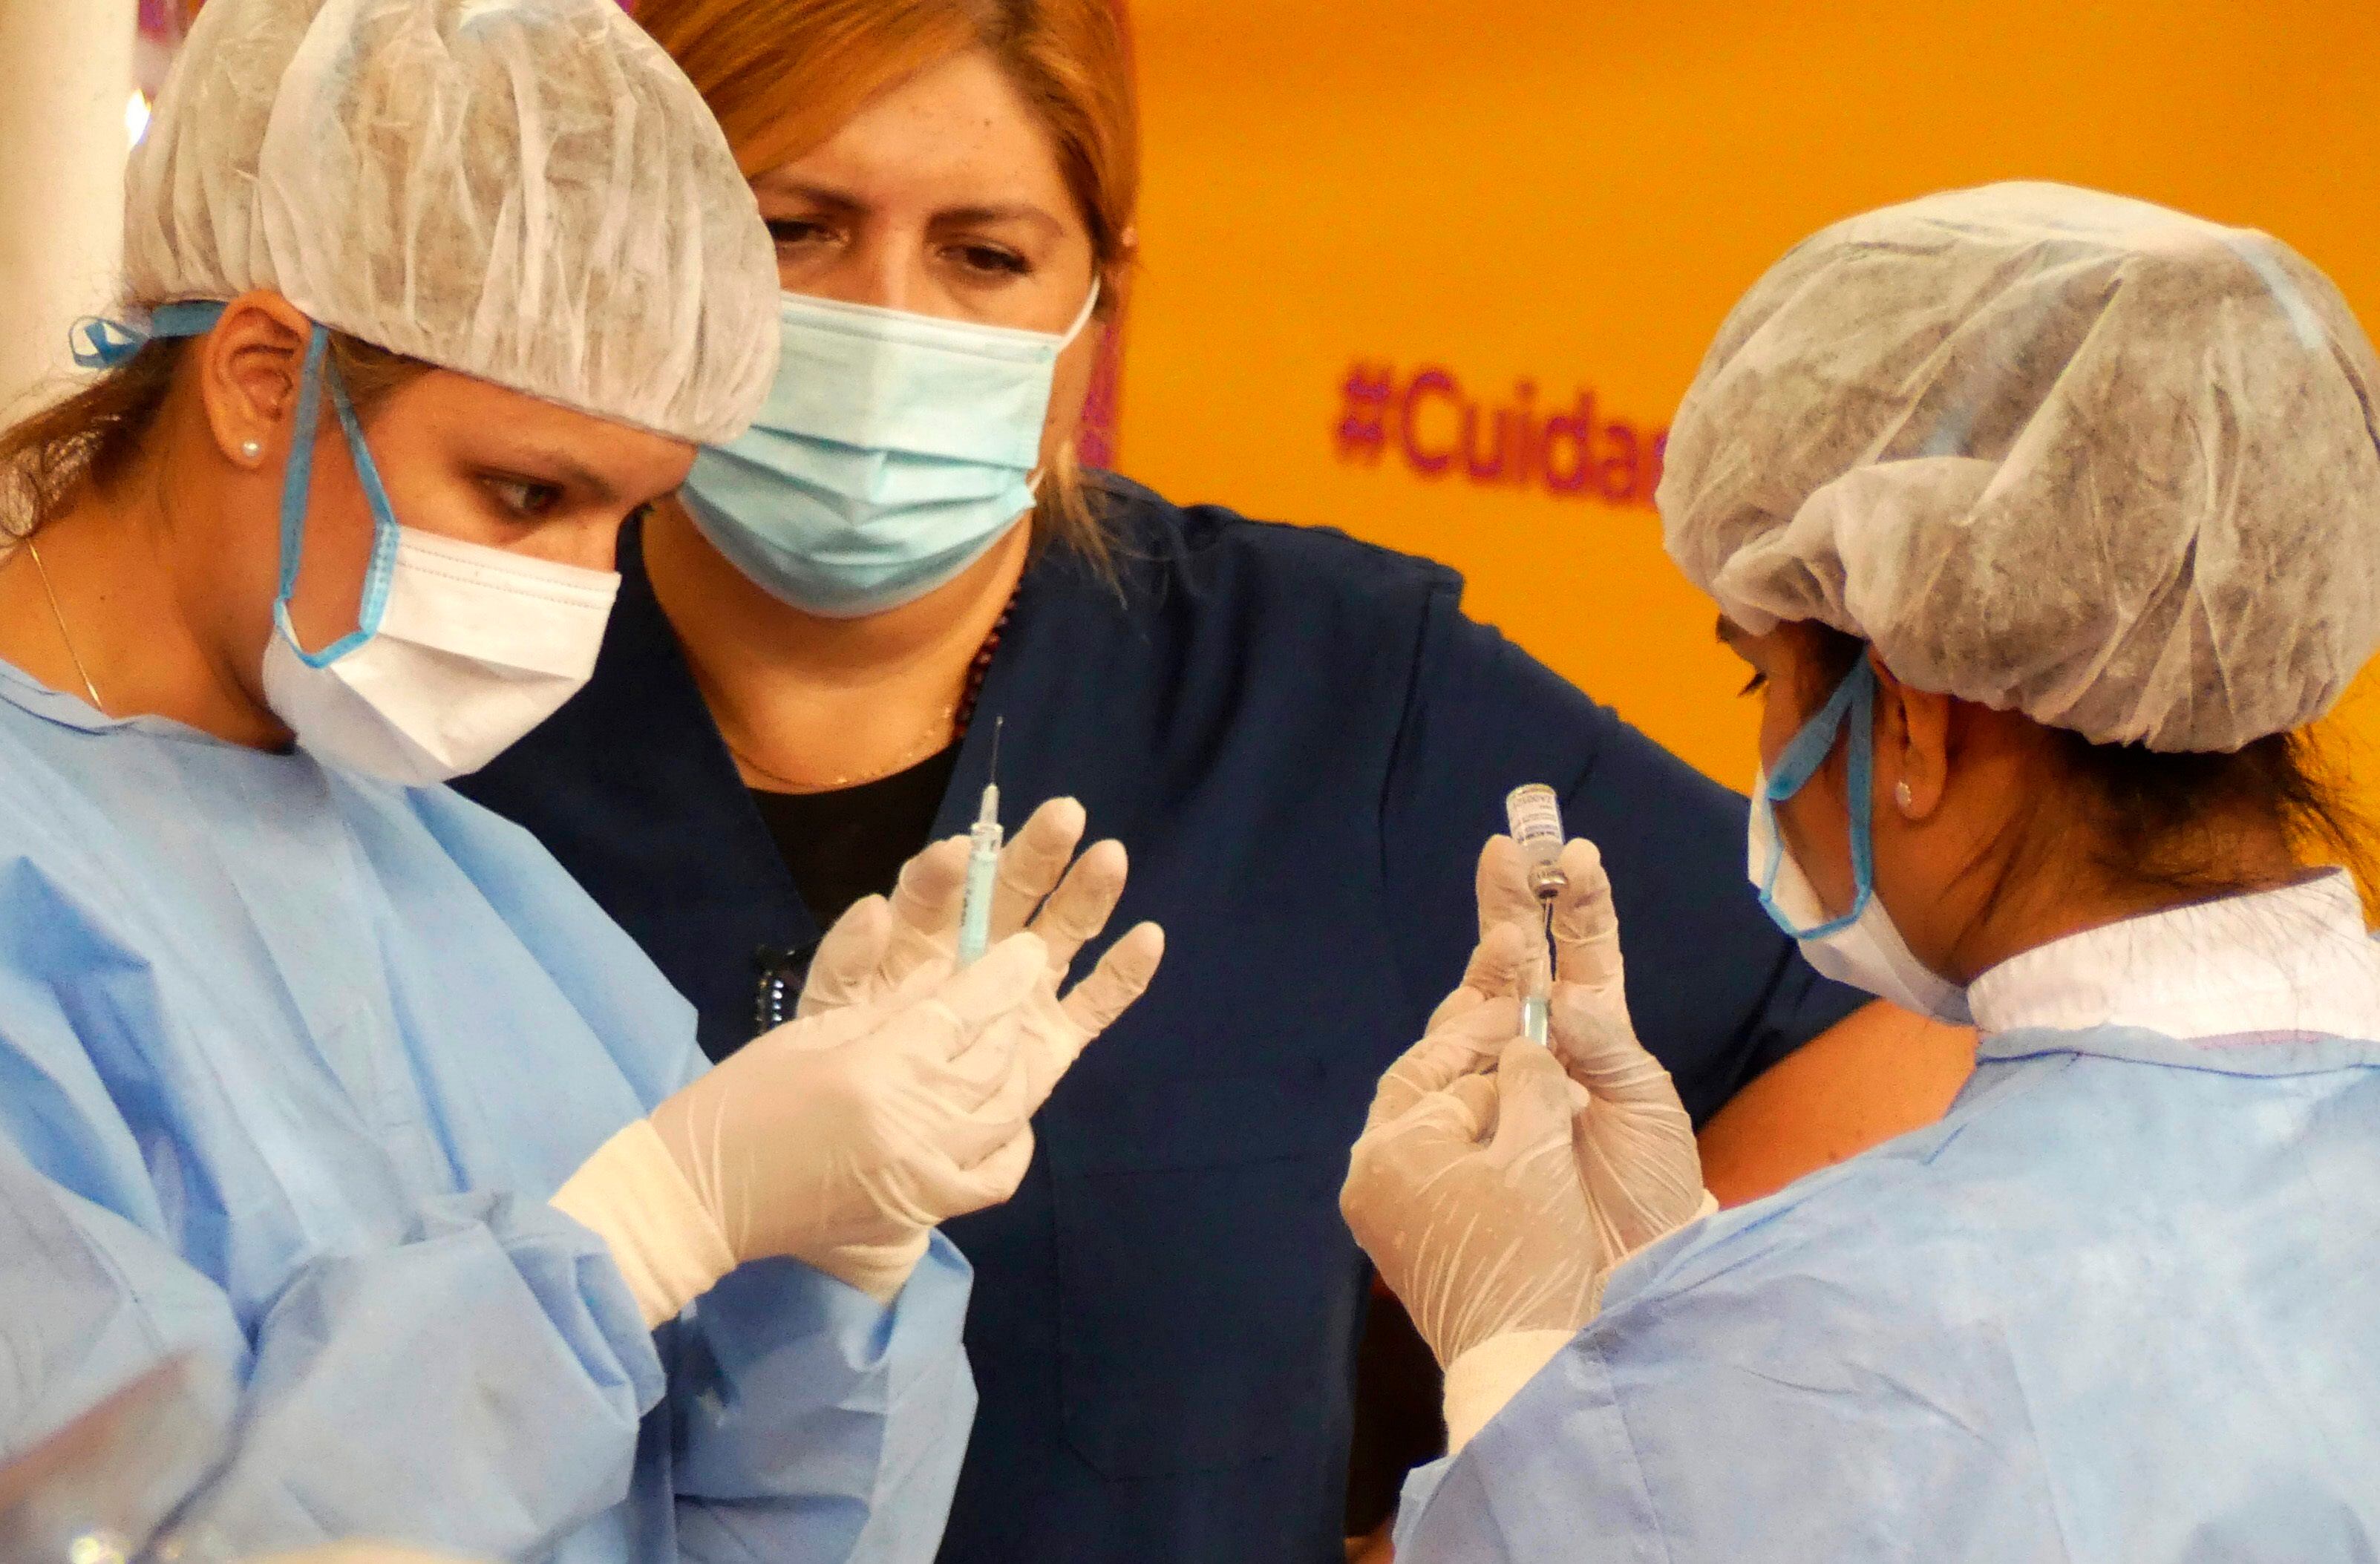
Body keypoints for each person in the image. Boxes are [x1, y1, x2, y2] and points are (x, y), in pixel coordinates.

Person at [452, 4, 1973, 1559]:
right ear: (637, 251)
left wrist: (1549, 1459)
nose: (886, 318)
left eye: (984, 255)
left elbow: (1891, 1029)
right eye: (794, 228)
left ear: (1094, 299)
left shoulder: (1326, 690)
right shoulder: (454, 674)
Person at [0, 0, 1158, 1557]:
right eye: (525, 491)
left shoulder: (479, 898)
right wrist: (640, 1229)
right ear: (267, 376)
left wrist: (829, 1260)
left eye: (625, 517)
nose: (574, 588)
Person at [1341, 181, 2380, 1559]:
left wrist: (1538, 1394)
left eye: (1757, 677)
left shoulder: (1800, 1363)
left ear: (1908, 727)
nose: (1768, 743)